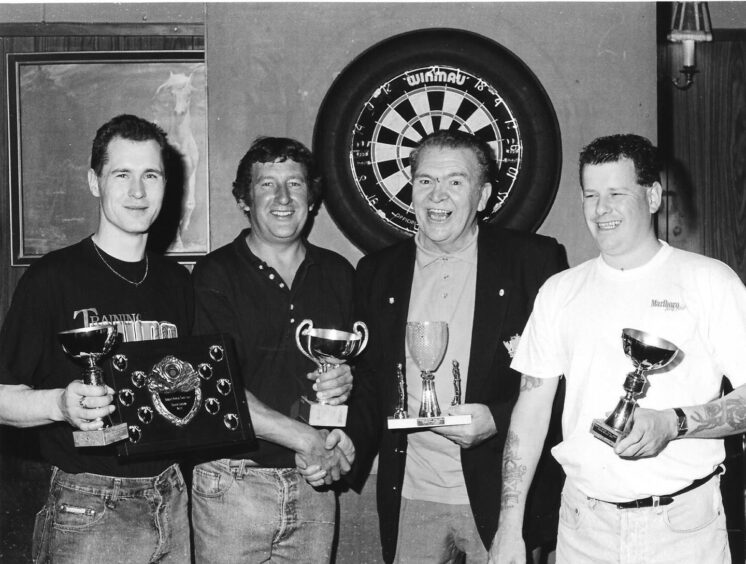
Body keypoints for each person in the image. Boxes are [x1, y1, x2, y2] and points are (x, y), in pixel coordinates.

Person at [490, 133, 746, 564]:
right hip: (582, 526)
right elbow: (530, 412)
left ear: (652, 196)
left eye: (615, 193)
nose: (600, 209)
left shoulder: (710, 281)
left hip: (682, 528)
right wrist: (509, 526)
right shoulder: (560, 291)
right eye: (590, 194)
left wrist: (674, 423)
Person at [344, 130, 567, 563]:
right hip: (411, 493)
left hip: (501, 493)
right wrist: (349, 442)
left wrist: (498, 420)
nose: (436, 196)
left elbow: (569, 378)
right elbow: (371, 384)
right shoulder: (376, 272)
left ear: (483, 196)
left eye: (455, 182)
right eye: (425, 181)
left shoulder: (534, 261)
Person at [0, 114, 193, 563]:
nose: (138, 192)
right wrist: (59, 406)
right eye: (121, 175)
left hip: (171, 494)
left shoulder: (179, 282)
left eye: (151, 175)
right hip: (89, 502)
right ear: (94, 181)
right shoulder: (52, 277)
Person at [190, 136, 356, 563]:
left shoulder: (339, 273)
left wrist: (344, 409)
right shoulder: (214, 273)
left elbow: (363, 378)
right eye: (267, 185)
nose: (283, 198)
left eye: (296, 184)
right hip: (233, 484)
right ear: (245, 199)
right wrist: (308, 439)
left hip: (314, 484)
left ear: (312, 198)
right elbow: (218, 388)